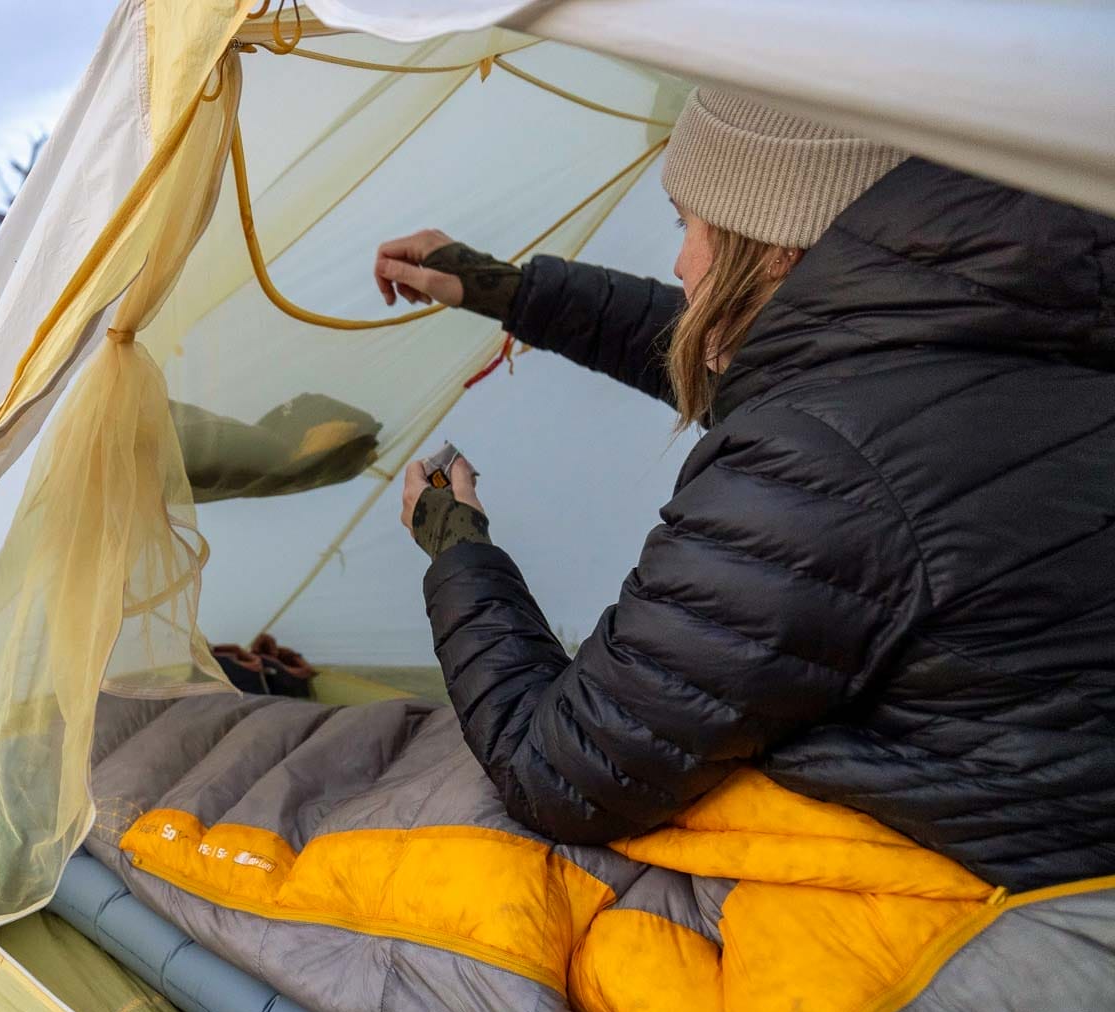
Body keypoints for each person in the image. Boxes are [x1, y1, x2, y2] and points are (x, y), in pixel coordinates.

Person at [371, 87, 1115, 892]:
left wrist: (458, 548)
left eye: (690, 226)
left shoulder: (824, 468)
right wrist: (502, 289)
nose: (681, 262)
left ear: (778, 252)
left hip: (998, 911)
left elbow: (559, 767)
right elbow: (761, 356)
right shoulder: (1000, 324)